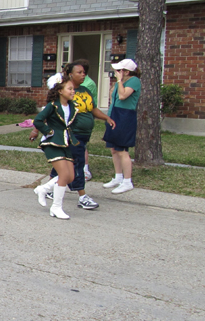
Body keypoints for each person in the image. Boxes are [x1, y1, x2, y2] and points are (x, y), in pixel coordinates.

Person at [34, 63, 115, 210]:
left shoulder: (81, 94)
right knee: (76, 167)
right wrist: (45, 131)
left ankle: (47, 189)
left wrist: (106, 118)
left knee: (66, 171)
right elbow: (45, 116)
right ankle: (80, 197)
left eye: (85, 72)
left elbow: (92, 109)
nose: (83, 75)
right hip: (68, 136)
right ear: (70, 75)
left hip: (80, 136)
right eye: (80, 72)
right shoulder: (59, 101)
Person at [32, 75, 79, 219]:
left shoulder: (71, 106)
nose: (73, 91)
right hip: (52, 143)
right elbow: (38, 120)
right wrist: (49, 131)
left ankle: (43, 189)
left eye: (73, 89)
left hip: (65, 142)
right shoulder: (52, 106)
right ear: (60, 90)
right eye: (69, 88)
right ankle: (56, 207)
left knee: (70, 177)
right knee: (64, 175)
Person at [103, 58, 142, 194]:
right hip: (114, 114)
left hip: (125, 116)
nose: (117, 72)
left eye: (120, 70)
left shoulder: (134, 81)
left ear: (127, 71)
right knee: (113, 148)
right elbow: (112, 96)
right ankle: (118, 177)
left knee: (122, 149)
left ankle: (127, 181)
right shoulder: (122, 82)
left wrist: (119, 81)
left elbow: (123, 96)